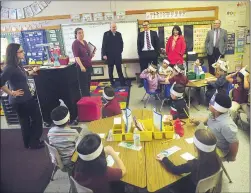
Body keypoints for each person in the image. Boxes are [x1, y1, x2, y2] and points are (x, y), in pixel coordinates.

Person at [0, 43, 43, 149]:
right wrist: (11, 92)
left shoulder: (17, 65)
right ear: (15, 54)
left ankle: (29, 143)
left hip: (24, 99)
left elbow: (21, 77)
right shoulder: (9, 67)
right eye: (21, 51)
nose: (23, 53)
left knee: (25, 122)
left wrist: (32, 72)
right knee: (36, 119)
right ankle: (33, 142)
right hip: (21, 100)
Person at [156, 129, 221, 193]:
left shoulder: (194, 164)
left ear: (196, 148)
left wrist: (164, 159)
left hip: (191, 188)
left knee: (167, 184)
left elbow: (174, 169)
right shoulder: (217, 158)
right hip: (205, 188)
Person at [190, 93, 239, 161]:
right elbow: (208, 119)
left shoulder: (226, 125)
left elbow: (234, 143)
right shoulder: (214, 114)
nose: (209, 104)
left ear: (216, 109)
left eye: (211, 103)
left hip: (218, 149)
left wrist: (231, 157)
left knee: (193, 152)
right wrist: (197, 121)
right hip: (212, 140)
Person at [47, 105, 80, 170]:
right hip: (71, 161)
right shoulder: (74, 133)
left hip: (56, 160)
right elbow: (79, 147)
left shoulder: (50, 132)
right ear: (68, 119)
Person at [102, 22, 126, 86]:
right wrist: (104, 54)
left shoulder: (119, 34)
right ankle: (112, 82)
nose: (114, 28)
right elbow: (104, 45)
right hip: (109, 56)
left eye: (115, 27)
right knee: (110, 70)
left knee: (119, 70)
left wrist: (120, 51)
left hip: (117, 55)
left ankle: (122, 83)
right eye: (113, 27)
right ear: (110, 27)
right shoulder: (106, 34)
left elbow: (121, 43)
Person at [72, 28, 95, 97]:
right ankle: (86, 100)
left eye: (82, 32)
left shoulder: (84, 42)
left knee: (88, 84)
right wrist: (82, 66)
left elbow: (87, 54)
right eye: (79, 33)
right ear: (76, 34)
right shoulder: (75, 43)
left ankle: (88, 98)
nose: (81, 34)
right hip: (82, 67)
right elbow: (76, 57)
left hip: (88, 65)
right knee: (83, 85)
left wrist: (92, 55)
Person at [137, 20, 160, 88]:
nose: (145, 26)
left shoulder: (154, 33)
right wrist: (140, 54)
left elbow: (157, 43)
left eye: (146, 25)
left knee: (154, 68)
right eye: (144, 25)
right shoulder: (140, 34)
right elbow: (138, 45)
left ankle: (155, 81)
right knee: (143, 69)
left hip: (152, 52)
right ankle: (143, 82)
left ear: (149, 25)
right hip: (144, 53)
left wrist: (157, 53)